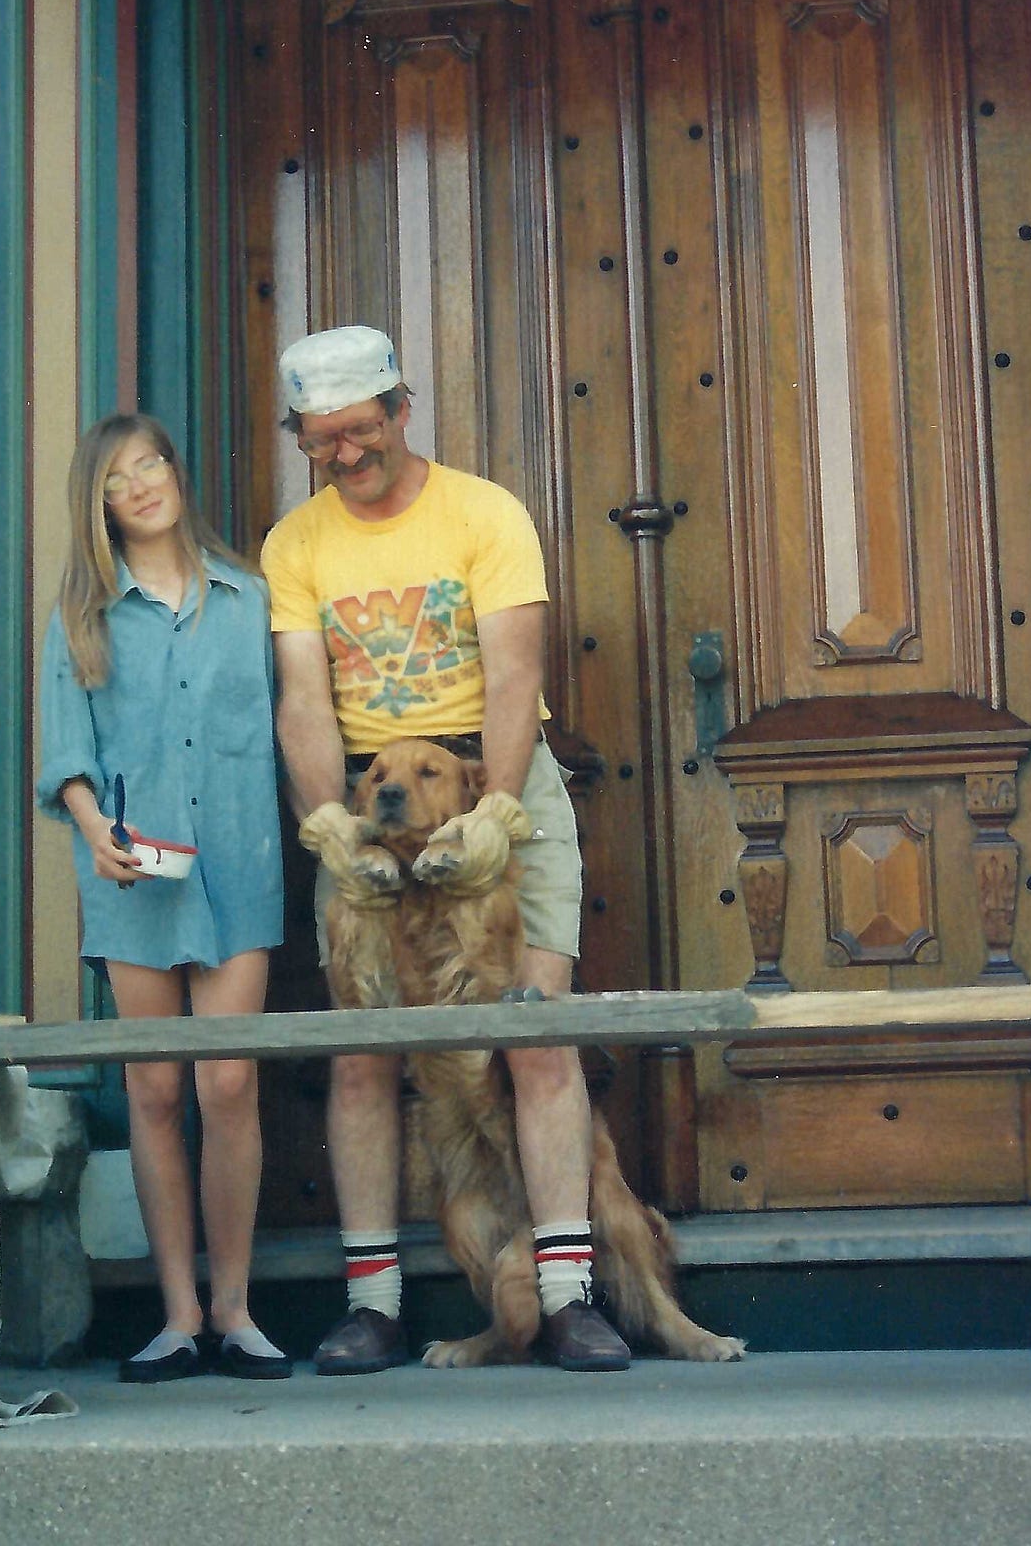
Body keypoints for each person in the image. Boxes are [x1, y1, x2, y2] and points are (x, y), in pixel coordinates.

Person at [261, 326, 632, 1375]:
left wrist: (497, 813)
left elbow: (514, 675)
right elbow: (303, 699)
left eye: (360, 431)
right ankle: (371, 1304)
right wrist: (329, 820)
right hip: (374, 799)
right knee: (364, 1050)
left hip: (488, 777)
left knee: (536, 1031)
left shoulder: (482, 512)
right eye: (320, 440)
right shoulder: (296, 544)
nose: (344, 455)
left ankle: (566, 1294)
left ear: (401, 409)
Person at [37, 412, 291, 1383]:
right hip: (134, 876)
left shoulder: (246, 601)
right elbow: (67, 753)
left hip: (235, 868)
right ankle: (177, 1313)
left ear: (177, 474)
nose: (140, 486)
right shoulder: (83, 617)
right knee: (151, 1087)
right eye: (116, 479)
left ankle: (235, 1308)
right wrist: (94, 829)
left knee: (227, 1083)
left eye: (150, 465)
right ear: (98, 505)